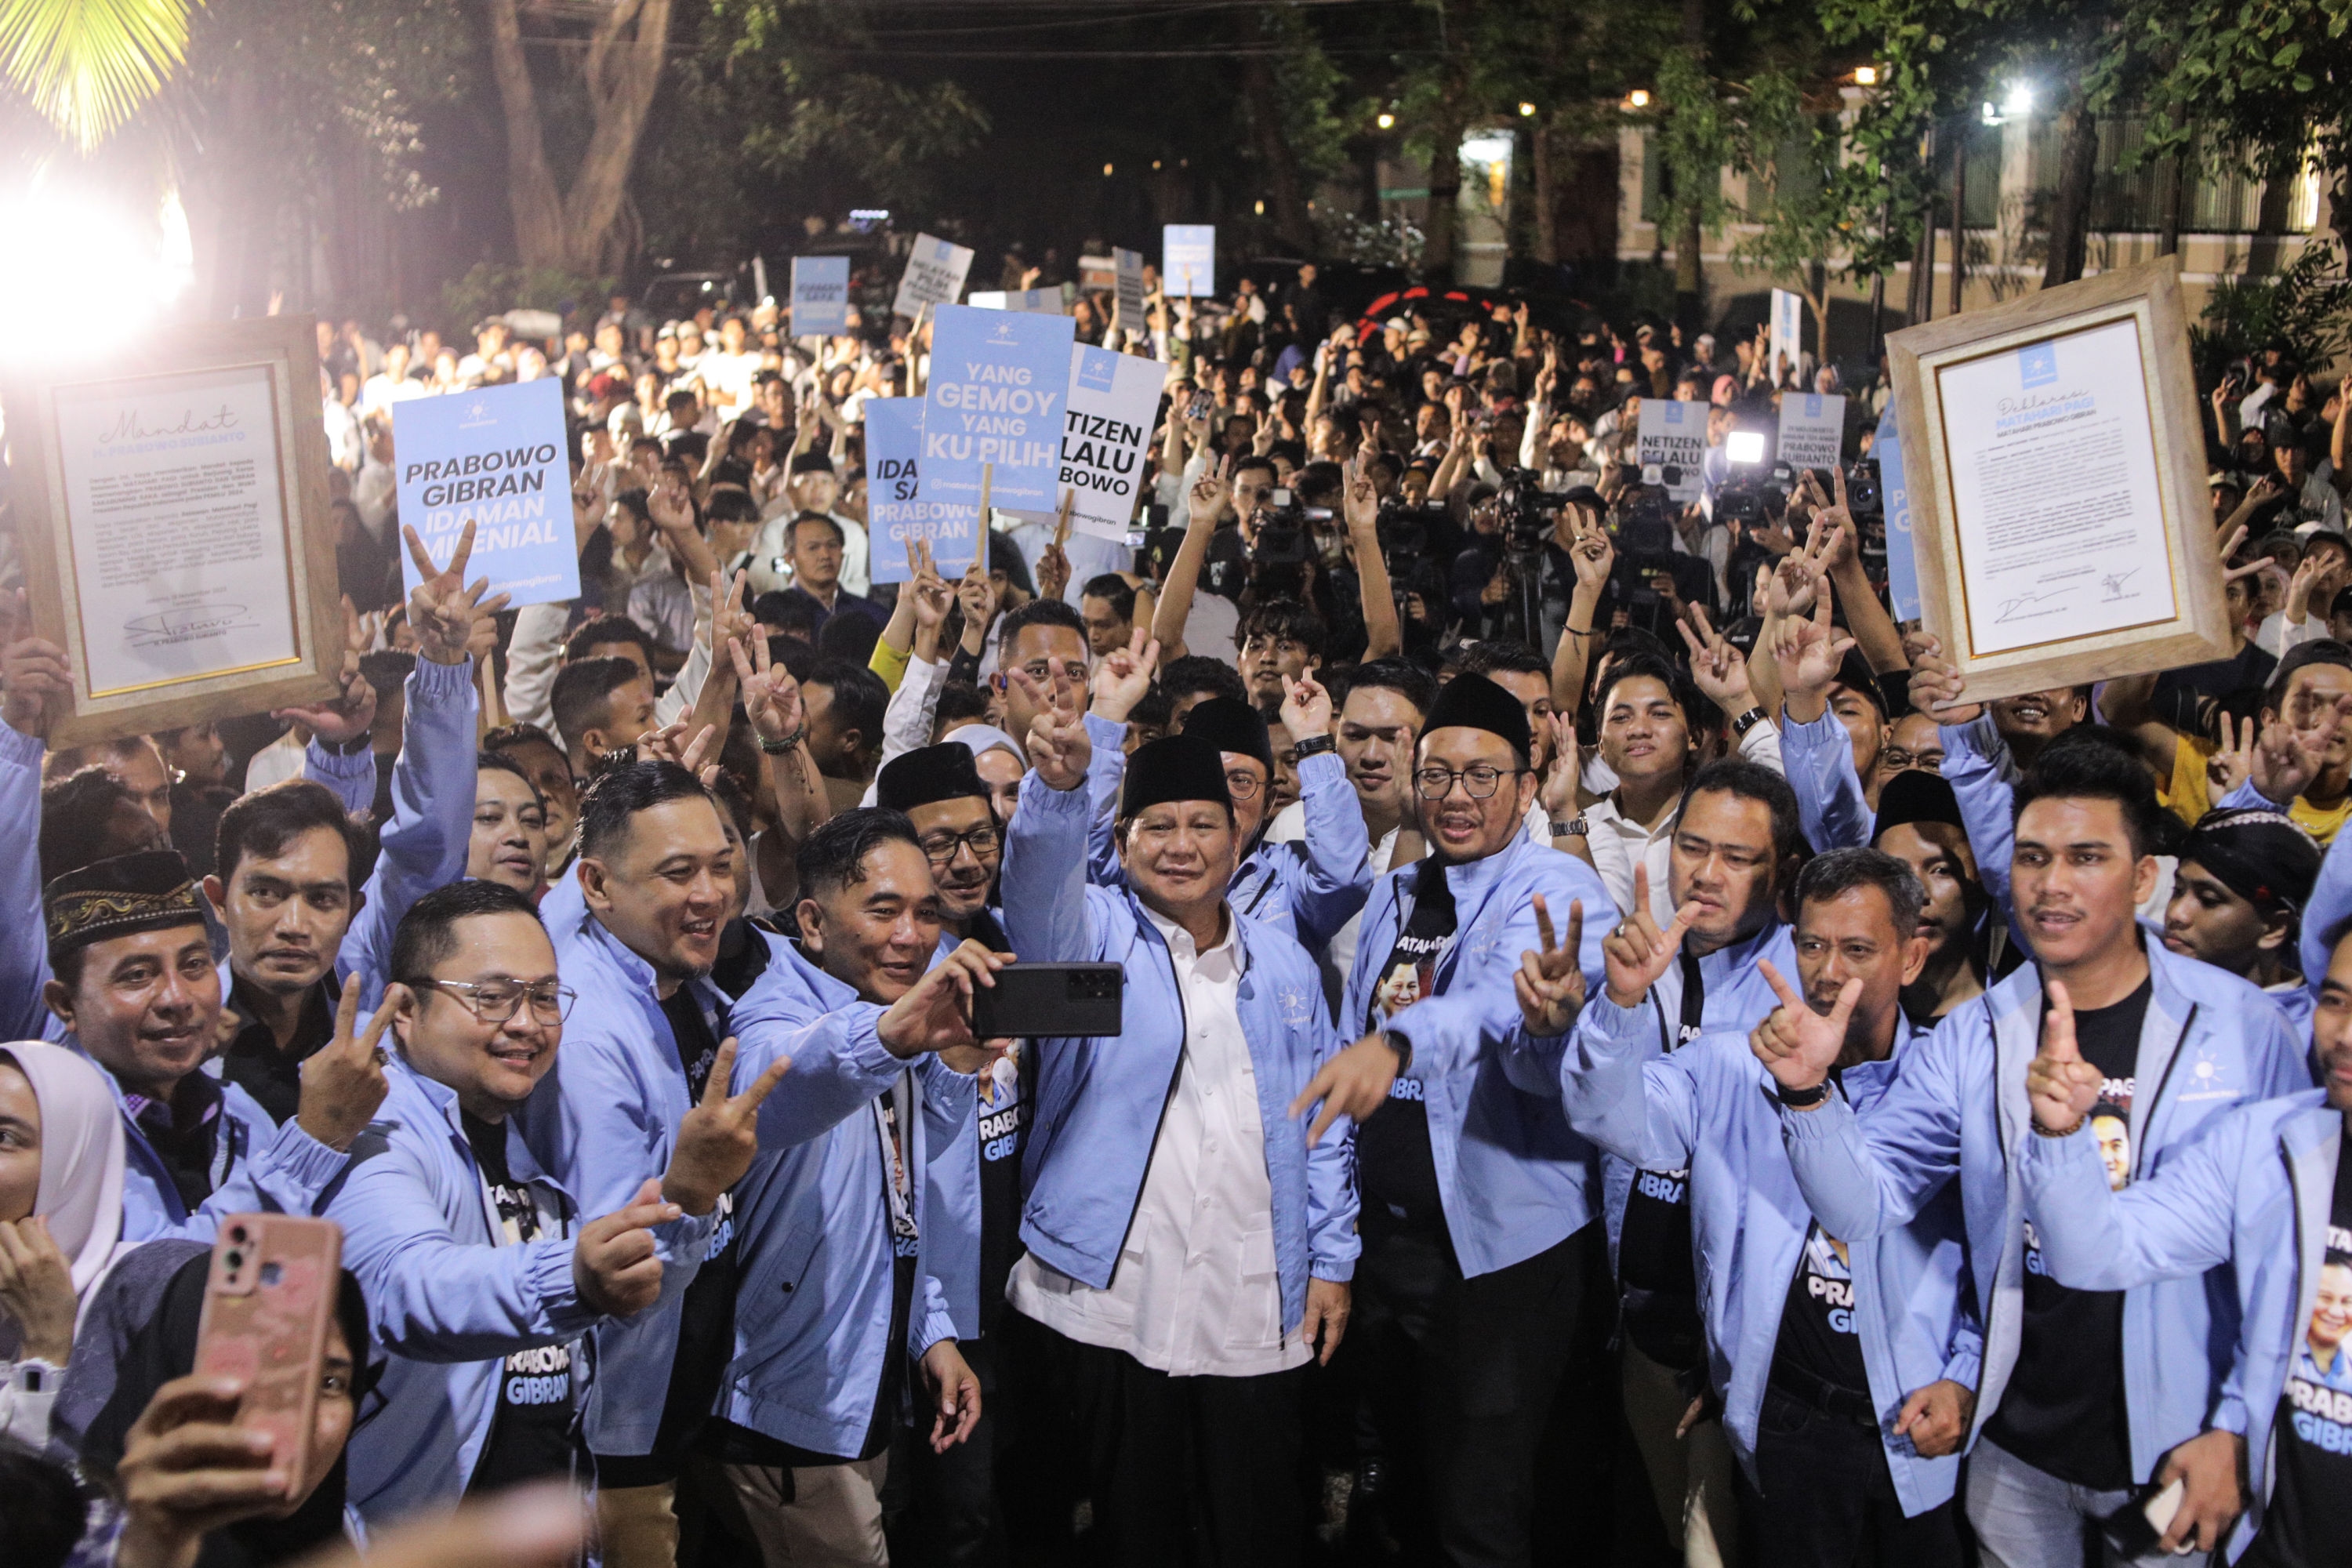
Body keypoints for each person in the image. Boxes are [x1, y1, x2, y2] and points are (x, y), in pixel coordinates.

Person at [1756, 732, 2313, 1565]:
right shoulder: (1975, 1034)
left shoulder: (2244, 1028)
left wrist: (2237, 1421)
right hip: (2015, 1448)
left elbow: (2290, 1265)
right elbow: (1862, 1204)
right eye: (2032, 856)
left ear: (2145, 877)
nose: (2053, 882)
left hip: (2180, 1443)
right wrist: (1807, 1092)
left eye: (2086, 856)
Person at [1548, 849, 1978, 1566]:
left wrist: (1966, 1373)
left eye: (1858, 949)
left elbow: (1988, 1260)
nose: (1829, 970)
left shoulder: (1948, 1081)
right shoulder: (1728, 1065)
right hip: (1790, 1425)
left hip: (1918, 1428)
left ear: (1913, 958)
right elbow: (1608, 1118)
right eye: (1812, 944)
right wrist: (1619, 1007)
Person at [996, 710, 1356, 1566]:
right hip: (1115, 1291)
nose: (1181, 843)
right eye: (1157, 825)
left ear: (1241, 840)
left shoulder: (1286, 963)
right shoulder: (1097, 941)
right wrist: (1056, 790)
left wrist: (1334, 1256)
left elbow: (1325, 1120)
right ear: (1121, 842)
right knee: (1134, 1525)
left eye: (1203, 824)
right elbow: (1037, 895)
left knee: (1257, 1520)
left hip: (1254, 1285)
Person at [321, 879, 782, 1523]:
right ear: (404, 1010)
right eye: (491, 998)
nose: (526, 1024)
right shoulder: (378, 1134)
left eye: (543, 997)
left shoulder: (517, 1133)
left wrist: (690, 1194)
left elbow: (625, 1304)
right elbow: (412, 1289)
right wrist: (572, 1278)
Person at [1287, 672, 1612, 1566]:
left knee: (1485, 1501)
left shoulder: (1555, 890)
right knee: (1403, 1480)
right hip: (1393, 1249)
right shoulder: (1398, 892)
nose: (1456, 797)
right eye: (1436, 775)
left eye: (1481, 775)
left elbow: (1488, 1010)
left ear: (1526, 781)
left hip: (1501, 1255)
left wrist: (1394, 1046)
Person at [2010, 912, 2352, 1561]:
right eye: (2335, 1001)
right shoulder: (2270, 1144)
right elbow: (2097, 1254)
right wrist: (2060, 1136)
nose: (2345, 1035)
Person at [706, 809, 993, 1567]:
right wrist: (890, 1039)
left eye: (927, 913)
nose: (911, 935)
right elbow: (794, 1071)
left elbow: (899, 1208)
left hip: (856, 1390)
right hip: (783, 1403)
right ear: (811, 920)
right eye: (884, 910)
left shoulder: (886, 1016)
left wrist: (931, 1331)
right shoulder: (777, 1009)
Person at [514, 760, 748, 1566]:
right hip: (618, 1421)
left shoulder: (670, 972)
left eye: (721, 864)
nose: (710, 891)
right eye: (677, 871)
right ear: (598, 885)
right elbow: (624, 1271)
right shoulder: (588, 1026)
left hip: (679, 1392)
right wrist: (691, 1192)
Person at [40, 850, 385, 1240]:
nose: (177, 998)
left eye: (193, 966)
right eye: (137, 975)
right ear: (65, 1004)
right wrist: (313, 1140)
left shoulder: (237, 1112)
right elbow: (156, 1277)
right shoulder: (51, 1131)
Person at [0, 1041, 129, 1450]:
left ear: (72, 1164)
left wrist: (45, 1346)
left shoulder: (139, 1306)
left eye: (3, 1136)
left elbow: (47, 1507)